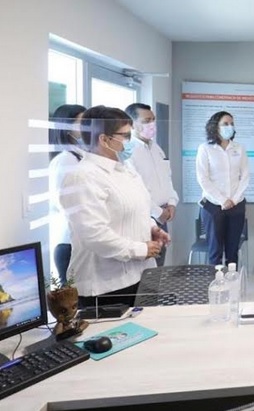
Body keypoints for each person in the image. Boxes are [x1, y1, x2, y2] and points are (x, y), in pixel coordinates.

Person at [60, 106, 170, 307]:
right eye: (126, 136)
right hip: (106, 286)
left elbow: (139, 209)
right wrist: (141, 249)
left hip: (141, 276)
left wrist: (152, 228)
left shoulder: (126, 170)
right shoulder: (82, 177)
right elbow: (94, 235)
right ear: (104, 139)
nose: (131, 140)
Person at [125, 103, 179, 267]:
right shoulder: (127, 151)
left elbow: (167, 179)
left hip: (163, 216)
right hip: (144, 217)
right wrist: (157, 212)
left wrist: (172, 203)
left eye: (153, 119)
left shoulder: (156, 148)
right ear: (132, 124)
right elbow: (135, 190)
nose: (152, 124)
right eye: (146, 120)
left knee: (159, 266)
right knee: (146, 267)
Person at [195, 111, 249, 266]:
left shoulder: (239, 148)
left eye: (231, 124)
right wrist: (223, 200)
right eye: (225, 124)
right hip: (213, 206)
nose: (229, 127)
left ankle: (233, 281)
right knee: (215, 252)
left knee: (233, 252)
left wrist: (234, 200)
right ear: (215, 126)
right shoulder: (205, 148)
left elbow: (245, 176)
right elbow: (203, 178)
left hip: (236, 205)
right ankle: (216, 281)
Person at [48, 103, 86, 286]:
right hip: (69, 242)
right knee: (71, 295)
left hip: (80, 240)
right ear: (66, 126)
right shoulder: (64, 160)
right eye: (81, 122)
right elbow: (63, 201)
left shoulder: (80, 155)